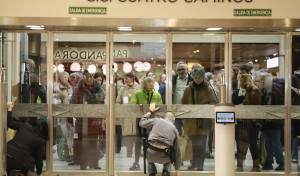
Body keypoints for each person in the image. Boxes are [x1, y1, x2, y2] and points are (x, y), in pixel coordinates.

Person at [181, 68, 217, 171]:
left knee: (201, 143)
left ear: (203, 77)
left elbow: (213, 103)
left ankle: (200, 163)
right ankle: (193, 163)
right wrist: (185, 118)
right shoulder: (188, 88)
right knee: (192, 143)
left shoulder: (208, 88)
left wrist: (205, 110)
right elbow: (183, 104)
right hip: (191, 121)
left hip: (203, 121)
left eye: (199, 77)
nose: (197, 80)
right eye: (195, 77)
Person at [70, 70, 105, 170]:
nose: (89, 82)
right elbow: (73, 103)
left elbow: (102, 103)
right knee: (82, 144)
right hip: (82, 119)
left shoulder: (98, 88)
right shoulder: (78, 88)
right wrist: (78, 115)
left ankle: (94, 163)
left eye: (90, 80)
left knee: (93, 143)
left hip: (94, 119)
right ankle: (83, 164)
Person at [129, 77, 163, 170]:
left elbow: (161, 107)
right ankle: (136, 162)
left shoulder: (156, 94)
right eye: (148, 83)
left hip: (152, 122)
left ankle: (150, 163)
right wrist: (138, 106)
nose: (150, 85)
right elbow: (131, 105)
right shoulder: (138, 93)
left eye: (151, 83)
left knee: (150, 143)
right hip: (140, 121)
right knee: (138, 142)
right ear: (144, 84)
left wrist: (156, 109)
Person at [6, 102, 49, 176]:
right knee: (29, 157)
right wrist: (39, 173)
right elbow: (39, 159)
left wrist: (9, 109)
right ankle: (23, 173)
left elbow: (9, 123)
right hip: (20, 162)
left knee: (25, 155)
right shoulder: (40, 140)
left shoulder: (25, 126)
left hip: (6, 155)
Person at [233, 66, 261, 172]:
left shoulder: (254, 90)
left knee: (253, 144)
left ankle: (256, 166)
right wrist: (243, 94)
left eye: (243, 80)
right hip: (240, 121)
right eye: (240, 80)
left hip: (253, 122)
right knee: (241, 144)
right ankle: (240, 165)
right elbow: (234, 101)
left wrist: (247, 92)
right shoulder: (237, 92)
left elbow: (255, 104)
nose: (242, 82)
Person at [139, 104, 181, 176]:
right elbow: (177, 151)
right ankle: (166, 171)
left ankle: (152, 173)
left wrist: (149, 111)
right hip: (165, 158)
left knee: (149, 149)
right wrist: (177, 169)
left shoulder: (157, 120)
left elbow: (142, 123)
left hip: (150, 155)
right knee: (171, 151)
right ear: (174, 119)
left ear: (164, 117)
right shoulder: (175, 130)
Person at [260, 72, 285, 171]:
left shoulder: (277, 89)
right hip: (266, 122)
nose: (262, 82)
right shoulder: (262, 91)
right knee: (267, 144)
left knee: (276, 143)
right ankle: (268, 162)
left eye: (264, 80)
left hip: (275, 122)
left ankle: (281, 162)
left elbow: (280, 104)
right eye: (261, 80)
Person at [116, 72, 141, 157]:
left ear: (132, 78)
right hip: (126, 115)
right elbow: (118, 101)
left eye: (127, 78)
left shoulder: (139, 87)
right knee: (128, 135)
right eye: (124, 78)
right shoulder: (123, 88)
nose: (125, 80)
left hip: (136, 115)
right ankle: (129, 152)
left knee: (137, 135)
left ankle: (138, 152)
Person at [172, 61, 193, 135]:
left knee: (188, 133)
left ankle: (187, 146)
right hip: (175, 109)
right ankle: (177, 146)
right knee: (177, 133)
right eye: (178, 70)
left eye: (183, 69)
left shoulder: (192, 80)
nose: (181, 71)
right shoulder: (172, 80)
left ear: (187, 70)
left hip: (188, 110)